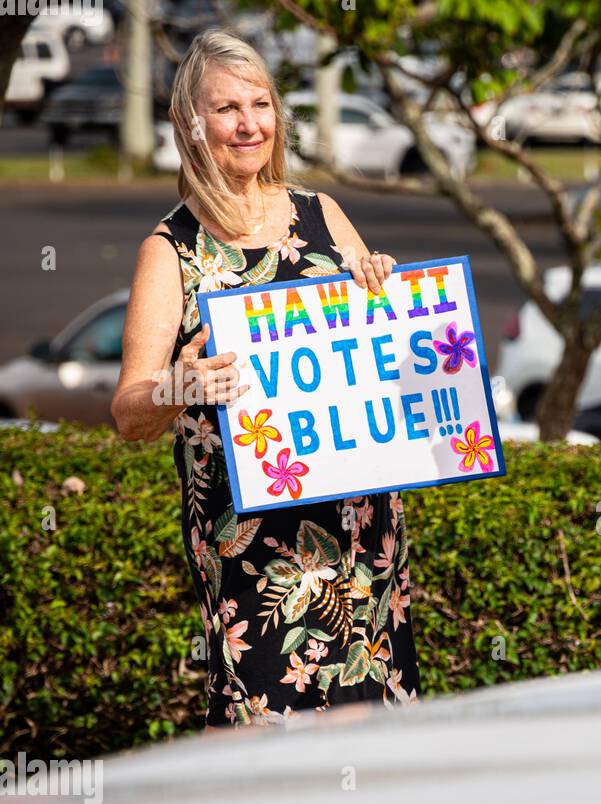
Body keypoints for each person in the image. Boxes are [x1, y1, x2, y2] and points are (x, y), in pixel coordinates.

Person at [112, 30, 420, 728]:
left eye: (261, 104)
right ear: (191, 126)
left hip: (361, 538)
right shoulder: (172, 251)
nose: (249, 124)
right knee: (270, 753)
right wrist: (180, 385)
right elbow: (129, 411)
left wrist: (378, 285)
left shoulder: (320, 214)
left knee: (377, 743)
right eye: (227, 109)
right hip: (253, 555)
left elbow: (378, 345)